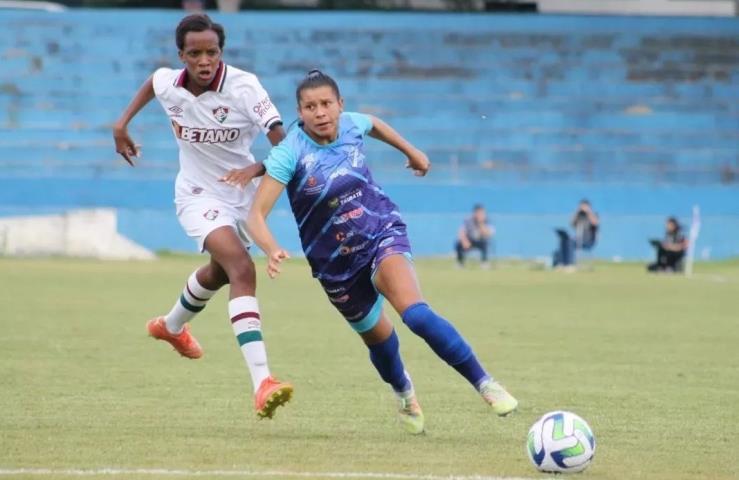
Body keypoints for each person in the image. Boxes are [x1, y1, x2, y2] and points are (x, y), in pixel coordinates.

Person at [242, 70, 518, 435]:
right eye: (310, 107)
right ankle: (404, 393)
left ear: (340, 105)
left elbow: (374, 124)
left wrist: (413, 151)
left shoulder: (352, 125)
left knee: (416, 315)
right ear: (300, 112)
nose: (320, 112)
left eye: (326, 104)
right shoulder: (289, 153)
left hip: (380, 234)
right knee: (382, 342)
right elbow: (255, 216)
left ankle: (485, 384)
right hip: (334, 264)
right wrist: (271, 248)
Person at [112, 14, 292, 419]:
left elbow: (286, 145)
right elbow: (152, 83)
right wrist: (121, 124)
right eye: (195, 53)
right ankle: (262, 382)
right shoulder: (168, 83)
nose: (205, 60)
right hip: (195, 193)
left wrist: (256, 169)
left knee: (222, 271)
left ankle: (170, 326)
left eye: (212, 52)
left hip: (241, 192)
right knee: (242, 268)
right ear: (182, 56)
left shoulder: (245, 87)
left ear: (221, 52)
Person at [553, 199, 599, 268]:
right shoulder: (579, 215)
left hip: (588, 240)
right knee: (564, 240)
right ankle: (561, 263)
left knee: (570, 242)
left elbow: (595, 223)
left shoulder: (594, 214)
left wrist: (588, 211)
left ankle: (570, 264)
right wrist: (577, 211)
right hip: (578, 239)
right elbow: (571, 223)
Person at [455, 204, 494, 268]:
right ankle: (460, 263)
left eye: (482, 213)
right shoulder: (468, 220)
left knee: (485, 243)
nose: (480, 214)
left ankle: (484, 263)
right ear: (474, 213)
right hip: (469, 240)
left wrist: (481, 223)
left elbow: (488, 234)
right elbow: (461, 231)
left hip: (480, 241)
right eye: (478, 212)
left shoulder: (487, 220)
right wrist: (464, 240)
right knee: (458, 244)